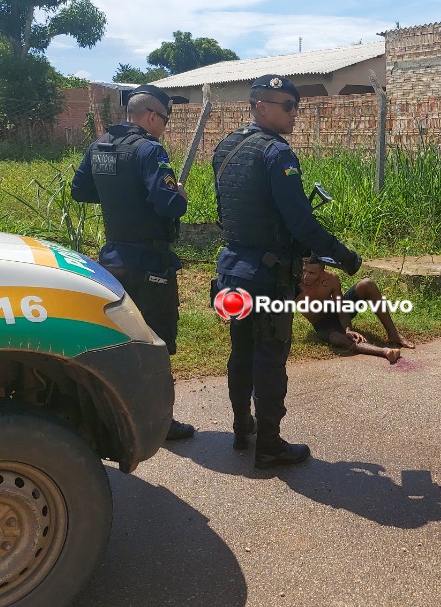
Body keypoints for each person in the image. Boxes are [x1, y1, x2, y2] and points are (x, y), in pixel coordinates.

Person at [213, 74, 362, 467]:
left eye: (296, 105)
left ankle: (241, 429)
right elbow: (300, 223)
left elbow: (227, 212)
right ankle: (269, 445)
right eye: (288, 106)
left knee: (241, 350)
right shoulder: (276, 153)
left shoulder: (226, 146)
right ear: (262, 107)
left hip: (232, 271)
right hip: (267, 277)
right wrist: (343, 255)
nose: (295, 113)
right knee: (270, 355)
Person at [70, 84, 195, 441]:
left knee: (120, 339)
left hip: (112, 261)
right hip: (150, 263)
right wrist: (179, 194)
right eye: (165, 120)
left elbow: (80, 191)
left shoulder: (100, 145)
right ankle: (159, 422)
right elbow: (171, 205)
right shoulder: (148, 150)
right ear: (152, 116)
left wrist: (118, 197)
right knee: (156, 342)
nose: (164, 127)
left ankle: (111, 416)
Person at [297, 258, 414, 364]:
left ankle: (393, 334)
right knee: (337, 338)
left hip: (336, 312)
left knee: (367, 284)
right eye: (304, 271)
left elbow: (341, 307)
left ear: (322, 272)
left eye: (312, 273)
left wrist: (348, 329)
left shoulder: (331, 279)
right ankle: (384, 351)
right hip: (322, 323)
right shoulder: (294, 285)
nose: (306, 276)